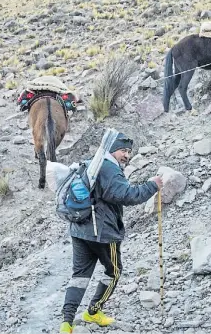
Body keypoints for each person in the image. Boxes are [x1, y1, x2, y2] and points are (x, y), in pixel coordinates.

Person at [59, 133, 163, 333]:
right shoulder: (109, 169)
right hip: (102, 233)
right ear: (112, 150)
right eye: (123, 150)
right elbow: (127, 196)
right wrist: (152, 185)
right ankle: (93, 312)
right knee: (114, 271)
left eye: (129, 151)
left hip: (79, 228)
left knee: (79, 275)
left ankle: (66, 323)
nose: (127, 155)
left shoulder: (91, 164)